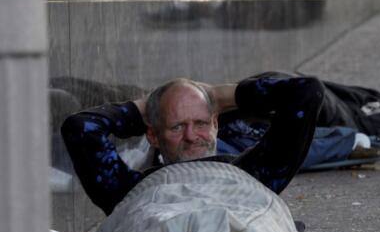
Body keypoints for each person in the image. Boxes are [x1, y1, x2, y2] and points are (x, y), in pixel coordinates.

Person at [61, 73, 326, 215]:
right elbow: (80, 127)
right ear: (152, 135)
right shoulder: (127, 192)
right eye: (177, 126)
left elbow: (307, 91)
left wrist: (221, 95)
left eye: (200, 123)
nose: (191, 136)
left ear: (216, 125)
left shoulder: (256, 175)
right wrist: (145, 108)